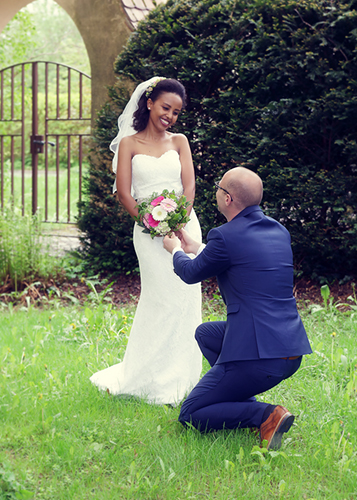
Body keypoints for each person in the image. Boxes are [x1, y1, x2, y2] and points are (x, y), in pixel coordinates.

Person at [163, 166, 312, 449]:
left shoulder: (225, 235)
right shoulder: (278, 231)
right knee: (207, 333)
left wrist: (175, 250)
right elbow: (239, 257)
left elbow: (191, 273)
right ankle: (237, 397)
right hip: (289, 351)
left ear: (228, 199)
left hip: (259, 356)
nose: (217, 193)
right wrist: (196, 246)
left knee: (190, 413)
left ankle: (266, 415)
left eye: (219, 188)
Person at [90, 77, 202, 405]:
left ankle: (181, 377)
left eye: (177, 112)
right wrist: (152, 222)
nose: (170, 116)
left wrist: (179, 220)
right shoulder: (129, 144)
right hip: (147, 229)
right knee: (160, 299)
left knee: (185, 298)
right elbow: (124, 193)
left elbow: (190, 186)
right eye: (166, 108)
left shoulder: (179, 141)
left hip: (184, 227)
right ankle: (147, 374)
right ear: (150, 102)